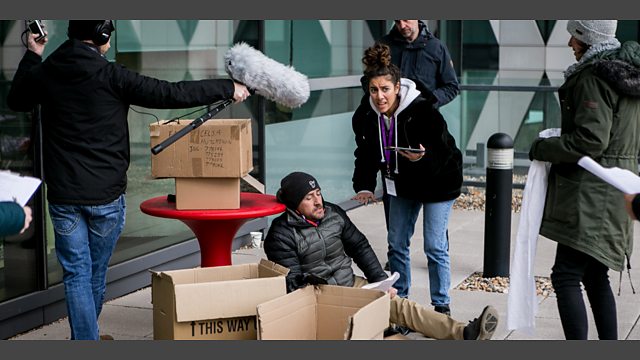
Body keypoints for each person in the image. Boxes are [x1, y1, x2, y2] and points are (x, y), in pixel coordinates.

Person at [6, 20, 250, 340]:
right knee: (92, 274)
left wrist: (33, 53)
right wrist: (227, 87)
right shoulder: (111, 76)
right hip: (105, 198)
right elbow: (171, 93)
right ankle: (87, 339)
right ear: (101, 36)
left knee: (77, 275)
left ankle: (86, 338)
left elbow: (17, 99)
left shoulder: (47, 71)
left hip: (64, 197)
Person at [264, 171, 498, 340]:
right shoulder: (281, 234)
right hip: (321, 296)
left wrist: (379, 281)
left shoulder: (333, 213)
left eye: (318, 193)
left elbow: (360, 246)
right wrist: (312, 284)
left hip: (350, 282)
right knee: (381, 331)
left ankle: (463, 332)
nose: (318, 201)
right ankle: (385, 329)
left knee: (399, 304)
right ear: (295, 204)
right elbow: (292, 282)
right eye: (309, 197)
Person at [528, 20, 640, 340]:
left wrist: (543, 147)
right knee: (594, 275)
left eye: (575, 36)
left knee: (565, 276)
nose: (570, 43)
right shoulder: (625, 72)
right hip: (616, 186)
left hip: (591, 194)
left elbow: (590, 140)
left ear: (589, 37)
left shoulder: (594, 77)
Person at [351, 43, 462, 316]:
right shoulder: (365, 116)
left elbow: (446, 153)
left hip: (438, 182)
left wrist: (423, 160)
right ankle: (400, 304)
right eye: (374, 90)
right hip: (400, 184)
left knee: (434, 246)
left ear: (398, 87)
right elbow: (365, 152)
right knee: (396, 243)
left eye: (385, 89)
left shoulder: (424, 111)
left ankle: (441, 306)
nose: (379, 97)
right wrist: (364, 185)